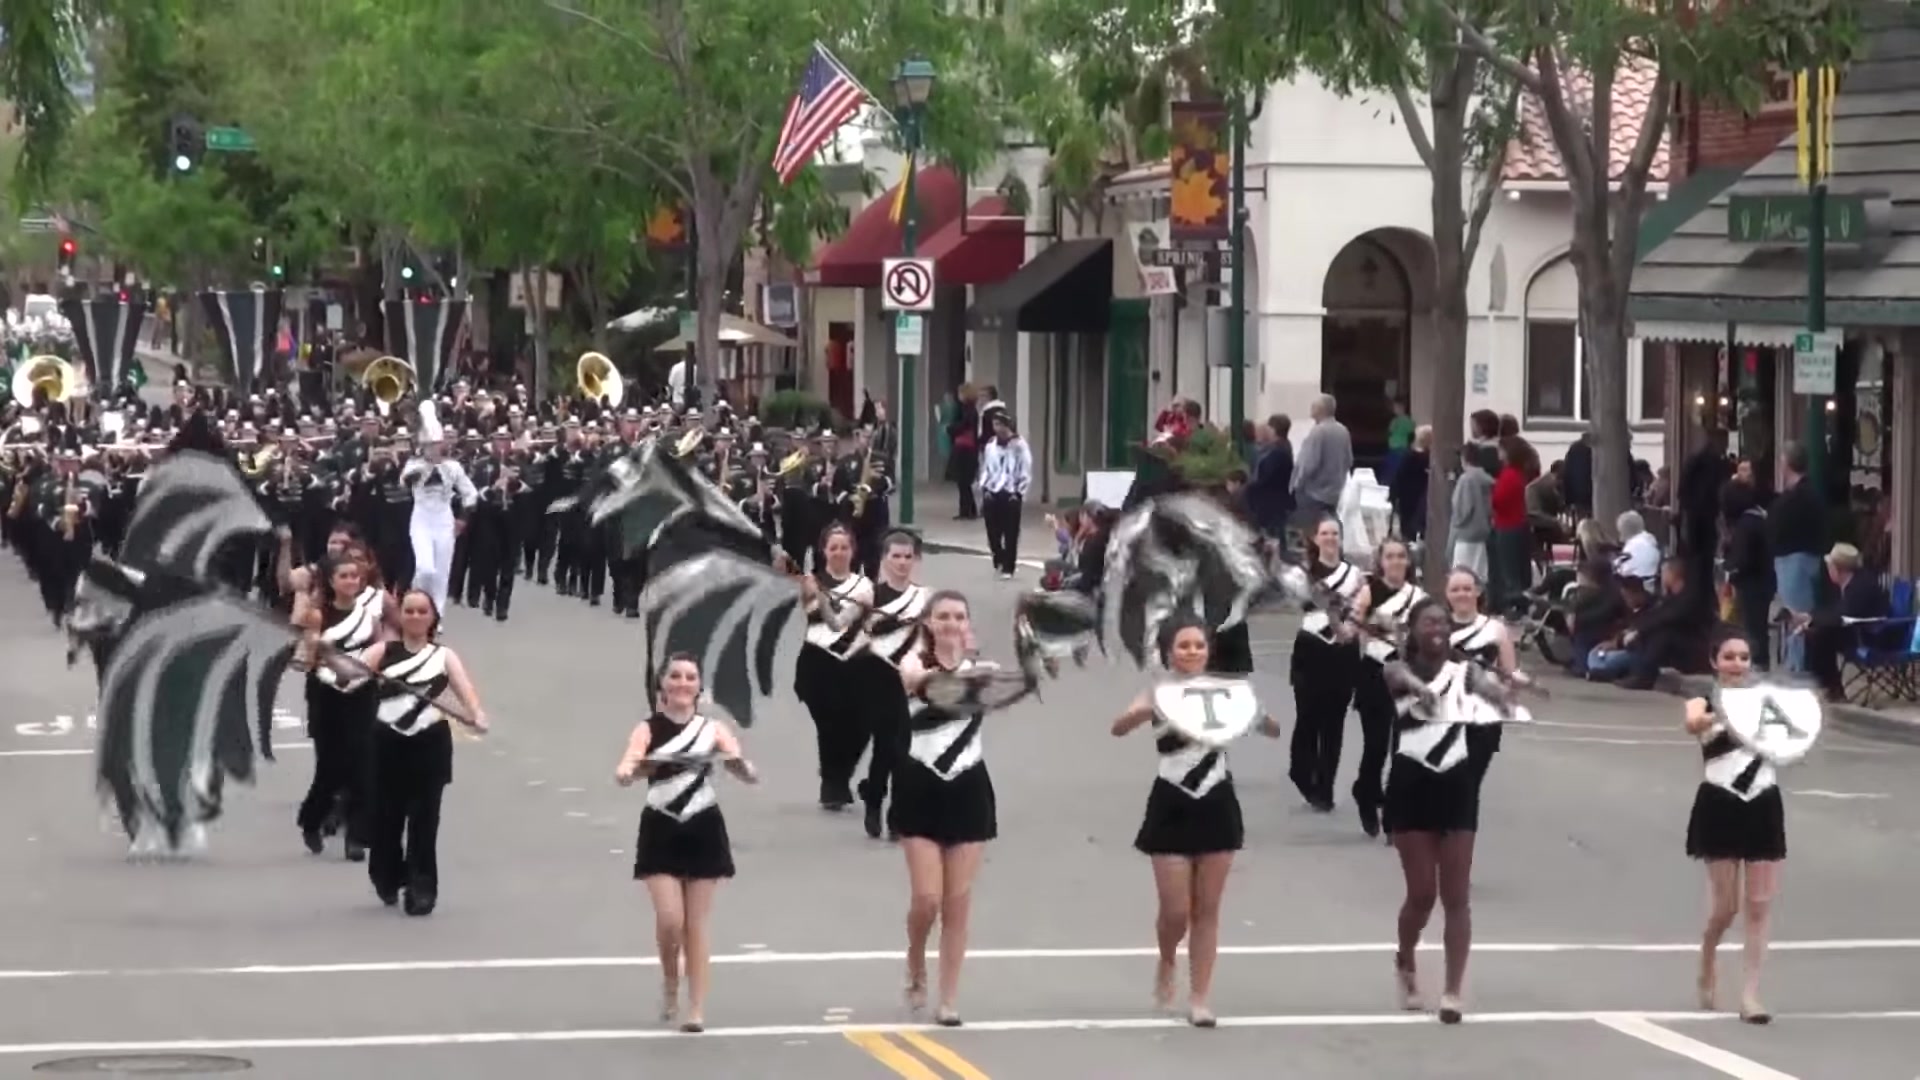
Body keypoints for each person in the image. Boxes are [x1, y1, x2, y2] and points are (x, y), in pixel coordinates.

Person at [1112, 616, 1281, 1027]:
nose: (1191, 652)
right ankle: (1167, 958)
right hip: (1172, 798)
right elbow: (1118, 727)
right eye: (1183, 646)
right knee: (1176, 911)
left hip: (1216, 798)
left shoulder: (1228, 691)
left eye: (1199, 646)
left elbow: (1274, 730)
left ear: (1209, 651)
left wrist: (1257, 715)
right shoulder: (1159, 690)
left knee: (1208, 908)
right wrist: (1141, 713)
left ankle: (1200, 996)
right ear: (1169, 651)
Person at [1381, 597, 1516, 1024]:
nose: (1437, 628)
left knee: (1456, 895)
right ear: (1413, 630)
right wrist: (1422, 689)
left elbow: (1496, 696)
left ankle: (1453, 990)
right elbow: (1399, 678)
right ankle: (1405, 958)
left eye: (1442, 622)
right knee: (1422, 894)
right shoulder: (1395, 668)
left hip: (1455, 781)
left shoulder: (1467, 671)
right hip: (1411, 780)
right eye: (1428, 622)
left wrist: (1507, 693)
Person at [617, 653, 757, 1033]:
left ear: (699, 687)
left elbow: (738, 760)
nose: (682, 683)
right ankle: (669, 979)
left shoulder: (711, 728)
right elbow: (630, 760)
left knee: (696, 924)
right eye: (675, 676)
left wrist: (740, 765)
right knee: (670, 921)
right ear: (662, 685)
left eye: (690, 677)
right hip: (661, 826)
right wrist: (629, 770)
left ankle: (696, 1008)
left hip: (704, 825)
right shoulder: (648, 728)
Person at [891, 590, 997, 1026]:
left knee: (958, 900)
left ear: (968, 624)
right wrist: (953, 672)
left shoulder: (983, 671)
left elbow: (999, 683)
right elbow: (915, 683)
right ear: (929, 623)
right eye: (943, 616)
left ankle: (949, 996)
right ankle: (916, 954)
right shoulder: (913, 662)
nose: (951, 622)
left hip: (969, 786)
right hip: (920, 783)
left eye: (958, 616)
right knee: (927, 898)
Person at [358, 590, 489, 917]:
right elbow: (347, 680)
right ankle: (387, 874)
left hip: (429, 743)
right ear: (400, 615)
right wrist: (332, 663)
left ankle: (421, 888)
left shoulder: (444, 656)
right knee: (386, 818)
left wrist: (477, 714)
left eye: (422, 611)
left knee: (424, 820)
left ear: (432, 617)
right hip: (386, 741)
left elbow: (466, 691)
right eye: (409, 611)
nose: (415, 617)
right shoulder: (381, 652)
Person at [1683, 627, 1784, 1024]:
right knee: (1725, 909)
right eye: (1729, 656)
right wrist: (1731, 713)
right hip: (1720, 802)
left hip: (1763, 802)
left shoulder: (1770, 704)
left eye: (1744, 657)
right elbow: (1694, 724)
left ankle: (1751, 995)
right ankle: (1708, 954)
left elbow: (1796, 735)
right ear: (1714, 661)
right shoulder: (1700, 701)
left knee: (1758, 905)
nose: (1737, 664)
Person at [290, 552, 386, 859]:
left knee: (364, 764)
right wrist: (319, 652)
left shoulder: (369, 619)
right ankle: (311, 820)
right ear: (331, 581)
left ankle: (358, 836)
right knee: (330, 767)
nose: (350, 581)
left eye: (355, 576)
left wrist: (375, 668)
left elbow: (380, 651)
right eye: (343, 576)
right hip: (327, 694)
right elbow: (306, 658)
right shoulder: (317, 615)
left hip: (361, 693)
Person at [1289, 516, 1368, 812]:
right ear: (1316, 538)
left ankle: (1325, 788)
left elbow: (1362, 610)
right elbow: (1300, 603)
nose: (1330, 538)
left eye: (1335, 533)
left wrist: (1351, 629)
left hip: (1343, 649)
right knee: (1308, 717)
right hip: (1311, 647)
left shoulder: (1355, 574)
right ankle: (1301, 771)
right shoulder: (1305, 573)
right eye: (1325, 533)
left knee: (1334, 723)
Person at [795, 524, 873, 809]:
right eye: (833, 547)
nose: (839, 552)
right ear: (824, 551)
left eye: (844, 547)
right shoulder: (810, 582)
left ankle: (840, 773)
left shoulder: (864, 586)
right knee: (828, 727)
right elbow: (818, 618)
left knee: (861, 726)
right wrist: (812, 593)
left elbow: (840, 623)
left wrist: (826, 598)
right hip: (818, 663)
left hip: (855, 662)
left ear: (853, 551)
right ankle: (833, 784)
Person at [1352, 538, 1424, 838]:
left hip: (1406, 674)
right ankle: (1365, 792)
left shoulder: (1419, 596)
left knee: (1402, 747)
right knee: (1376, 745)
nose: (1395, 561)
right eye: (1390, 556)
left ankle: (1394, 814)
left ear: (1408, 561)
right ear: (1380, 562)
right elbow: (1352, 629)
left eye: (1401, 556)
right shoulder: (1369, 591)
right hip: (1375, 673)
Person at [400, 404, 479, 616]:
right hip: (421, 520)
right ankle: (416, 597)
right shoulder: (414, 465)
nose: (435, 449)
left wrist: (463, 519)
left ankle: (437, 614)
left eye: (437, 445)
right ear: (423, 447)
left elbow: (471, 494)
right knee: (426, 569)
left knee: (442, 572)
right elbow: (406, 482)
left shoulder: (453, 467)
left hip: (444, 521)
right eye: (430, 445)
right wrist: (426, 466)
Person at [978, 412, 1031, 580]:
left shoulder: (1019, 445)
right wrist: (985, 488)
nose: (998, 428)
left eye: (1001, 424)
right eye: (995, 425)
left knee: (1010, 532)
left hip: (1011, 493)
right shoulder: (991, 445)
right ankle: (998, 557)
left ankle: (1009, 566)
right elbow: (986, 467)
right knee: (992, 531)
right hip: (992, 491)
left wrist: (1019, 492)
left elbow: (1026, 469)